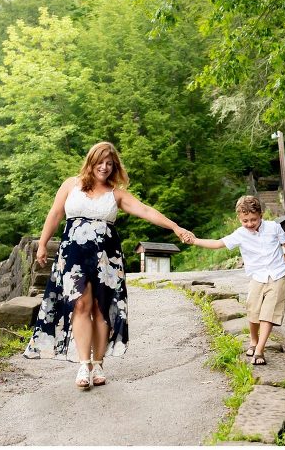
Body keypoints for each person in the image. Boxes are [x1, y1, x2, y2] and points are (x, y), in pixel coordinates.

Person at [23, 141, 194, 390]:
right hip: (73, 254)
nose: (104, 167)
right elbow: (55, 214)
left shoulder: (116, 193)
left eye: (109, 163)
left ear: (114, 167)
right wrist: (42, 244)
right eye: (100, 162)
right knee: (80, 304)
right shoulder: (71, 185)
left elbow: (145, 210)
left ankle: (99, 363)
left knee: (101, 308)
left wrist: (175, 227)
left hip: (106, 256)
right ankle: (84, 364)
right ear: (91, 162)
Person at [188, 194, 285, 366]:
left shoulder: (273, 228)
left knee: (269, 313)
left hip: (278, 275)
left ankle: (259, 350)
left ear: (261, 215)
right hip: (257, 277)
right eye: (245, 221)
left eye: (254, 219)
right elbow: (217, 243)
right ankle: (253, 339)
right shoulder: (240, 234)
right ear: (239, 218)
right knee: (253, 311)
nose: (250, 224)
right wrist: (195, 241)